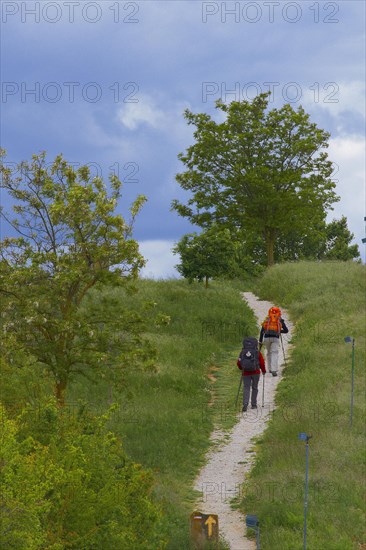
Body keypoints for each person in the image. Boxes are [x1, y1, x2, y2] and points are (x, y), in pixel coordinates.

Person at [237, 337, 266, 412]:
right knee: (254, 387)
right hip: (256, 372)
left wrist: (242, 368)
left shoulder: (242, 352)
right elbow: (262, 362)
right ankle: (253, 404)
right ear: (255, 344)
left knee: (246, 387)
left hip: (245, 372)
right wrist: (263, 370)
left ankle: (245, 404)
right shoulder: (257, 352)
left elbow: (239, 362)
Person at [259, 306, 289, 377]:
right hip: (275, 338)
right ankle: (274, 370)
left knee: (269, 353)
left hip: (266, 338)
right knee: (274, 353)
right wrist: (278, 331)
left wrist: (260, 341)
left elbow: (262, 332)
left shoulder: (267, 319)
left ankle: (269, 368)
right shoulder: (280, 320)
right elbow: (286, 330)